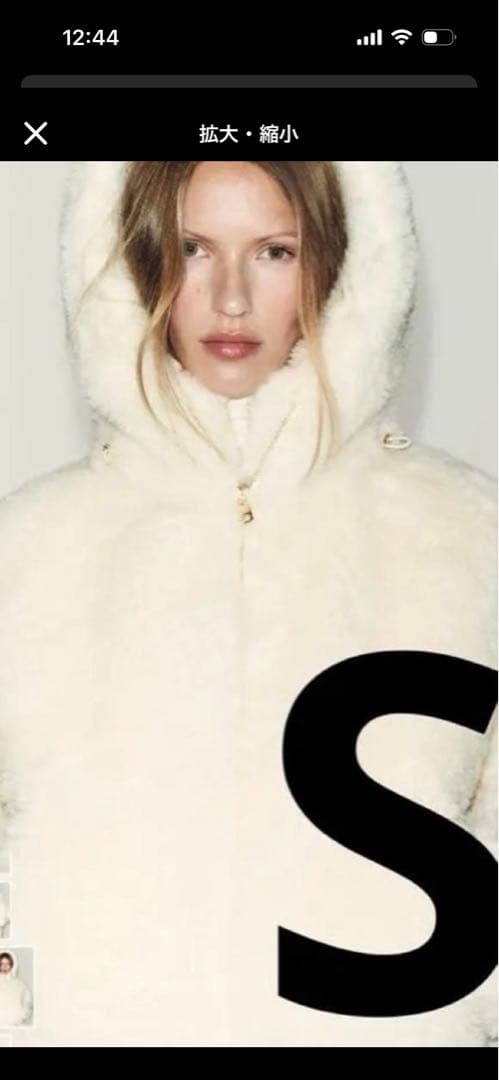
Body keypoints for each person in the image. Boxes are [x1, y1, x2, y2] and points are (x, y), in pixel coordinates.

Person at [0, 161, 496, 1048]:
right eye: (193, 249)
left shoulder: (467, 534)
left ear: (342, 264)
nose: (229, 299)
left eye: (274, 251)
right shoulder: (28, 544)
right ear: (135, 261)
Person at [0, 953, 32, 1027]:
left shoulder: (20, 984)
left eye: (7, 964)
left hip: (14, 1025)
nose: (4, 967)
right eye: (2, 964)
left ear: (12, 965)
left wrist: (20, 1018)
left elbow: (28, 1003)